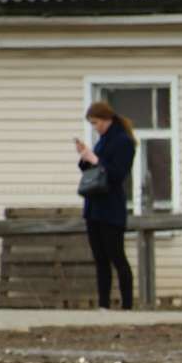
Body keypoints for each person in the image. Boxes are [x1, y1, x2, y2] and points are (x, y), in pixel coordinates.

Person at [75, 101, 136, 310]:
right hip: (94, 207)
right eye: (92, 124)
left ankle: (127, 305)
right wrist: (85, 155)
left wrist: (95, 158)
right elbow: (90, 169)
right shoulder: (102, 141)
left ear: (107, 119)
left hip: (111, 208)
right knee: (100, 259)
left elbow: (117, 173)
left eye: (96, 123)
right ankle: (104, 305)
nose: (95, 127)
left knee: (116, 256)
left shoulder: (123, 141)